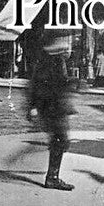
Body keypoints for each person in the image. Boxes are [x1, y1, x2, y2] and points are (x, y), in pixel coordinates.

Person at [28, 35, 75, 191]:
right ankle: (52, 178)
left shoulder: (55, 60)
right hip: (51, 108)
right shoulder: (49, 61)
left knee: (61, 140)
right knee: (60, 140)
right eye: (65, 43)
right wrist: (34, 106)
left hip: (55, 107)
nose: (67, 47)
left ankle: (52, 175)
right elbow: (37, 85)